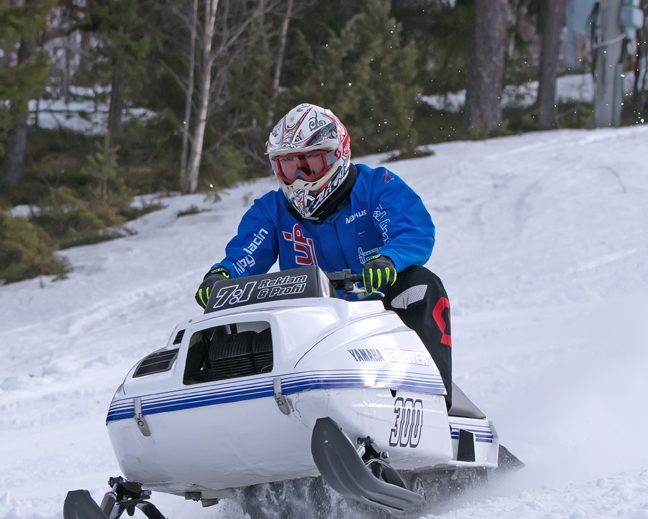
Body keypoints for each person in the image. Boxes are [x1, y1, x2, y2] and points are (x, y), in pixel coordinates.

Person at [194, 103, 454, 405]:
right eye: (288, 166)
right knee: (230, 320)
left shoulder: (377, 186)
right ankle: (232, 404)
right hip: (309, 320)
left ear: (336, 155)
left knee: (421, 284)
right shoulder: (271, 210)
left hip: (378, 308)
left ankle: (434, 398)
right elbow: (247, 253)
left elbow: (413, 230)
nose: (299, 177)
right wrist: (222, 276)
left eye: (310, 164)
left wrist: (389, 259)